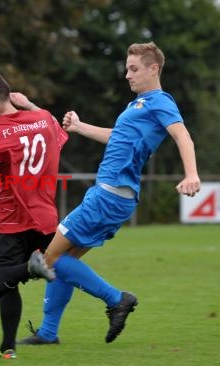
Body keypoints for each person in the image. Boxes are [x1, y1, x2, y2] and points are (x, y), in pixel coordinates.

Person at [17, 41, 200, 346]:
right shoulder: (137, 105)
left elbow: (182, 135)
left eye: (134, 69)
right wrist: (78, 127)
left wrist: (191, 174)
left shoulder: (160, 101)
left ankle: (117, 299)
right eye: (127, 68)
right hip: (112, 195)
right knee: (63, 261)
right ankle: (49, 332)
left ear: (153, 69)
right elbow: (118, 137)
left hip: (109, 196)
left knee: (48, 257)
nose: (128, 75)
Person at [0, 72, 67, 359]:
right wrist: (30, 105)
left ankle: (29, 268)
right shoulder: (44, 118)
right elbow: (58, 133)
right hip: (46, 220)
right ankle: (7, 347)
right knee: (8, 280)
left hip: (12, 222)